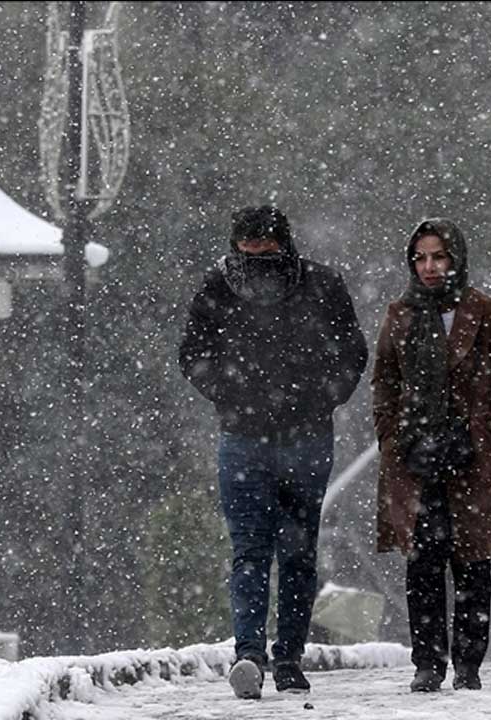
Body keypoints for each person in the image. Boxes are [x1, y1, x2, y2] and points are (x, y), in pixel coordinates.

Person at [179, 205, 368, 699]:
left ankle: (283, 655)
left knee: (291, 553)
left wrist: (316, 396)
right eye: (250, 246)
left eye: (266, 246)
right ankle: (253, 654)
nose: (258, 256)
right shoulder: (219, 287)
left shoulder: (323, 286)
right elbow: (193, 354)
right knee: (256, 551)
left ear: (283, 243)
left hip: (298, 438)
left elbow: (351, 353)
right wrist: (234, 394)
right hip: (248, 437)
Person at [371, 217, 491, 692]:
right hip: (414, 459)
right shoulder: (400, 314)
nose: (429, 267)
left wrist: (488, 430)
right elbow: (384, 382)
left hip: (470, 457)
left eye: (438, 256)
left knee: (471, 562)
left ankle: (468, 665)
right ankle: (427, 663)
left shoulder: (485, 310)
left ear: (455, 257)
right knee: (421, 563)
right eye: (420, 257)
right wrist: (393, 437)